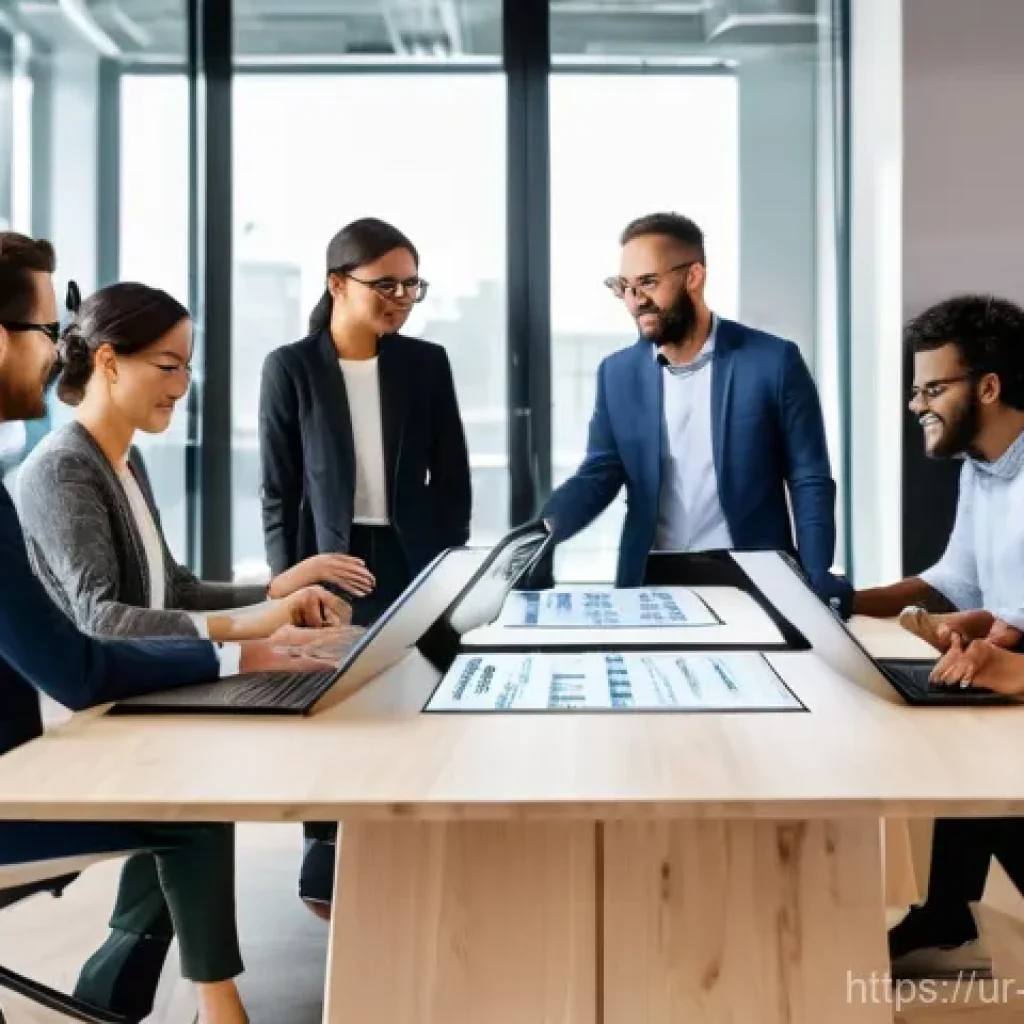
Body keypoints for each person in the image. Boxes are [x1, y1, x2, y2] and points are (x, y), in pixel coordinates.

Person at [0, 232, 324, 1024]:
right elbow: (86, 641)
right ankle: (213, 1005)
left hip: (44, 736)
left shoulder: (122, 464)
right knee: (188, 797)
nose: (57, 353)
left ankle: (124, 987)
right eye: (48, 332)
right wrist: (242, 643)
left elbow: (166, 586)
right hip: (37, 756)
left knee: (187, 781)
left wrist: (271, 599)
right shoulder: (52, 469)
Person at [259, 217, 472, 916]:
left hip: (413, 560)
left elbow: (456, 476)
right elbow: (277, 490)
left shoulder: (426, 363)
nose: (402, 297)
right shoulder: (291, 367)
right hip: (332, 561)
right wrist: (289, 587)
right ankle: (324, 845)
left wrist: (447, 557)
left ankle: (409, 845)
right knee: (330, 703)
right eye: (386, 284)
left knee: (413, 700)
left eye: (412, 284)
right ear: (337, 283)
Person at [17, 280, 374, 647]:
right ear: (108, 362)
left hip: (150, 683)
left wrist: (277, 590)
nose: (181, 387)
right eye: (168, 366)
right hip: (107, 701)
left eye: (186, 368)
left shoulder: (127, 460)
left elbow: (176, 590)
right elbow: (100, 620)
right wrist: (258, 624)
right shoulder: (64, 468)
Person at [538, 212, 849, 609]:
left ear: (693, 276)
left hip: (753, 580)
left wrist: (817, 574)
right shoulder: (616, 374)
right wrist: (542, 531)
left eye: (648, 282)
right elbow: (598, 475)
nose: (636, 301)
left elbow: (809, 478)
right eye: (624, 287)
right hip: (650, 583)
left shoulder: (773, 361)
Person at [851, 294, 1024, 978]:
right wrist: (858, 602)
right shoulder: (984, 469)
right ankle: (947, 909)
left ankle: (950, 912)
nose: (916, 403)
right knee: (950, 726)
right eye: (914, 388)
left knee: (975, 757)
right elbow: (971, 582)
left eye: (931, 387)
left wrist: (1008, 663)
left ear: (988, 386)